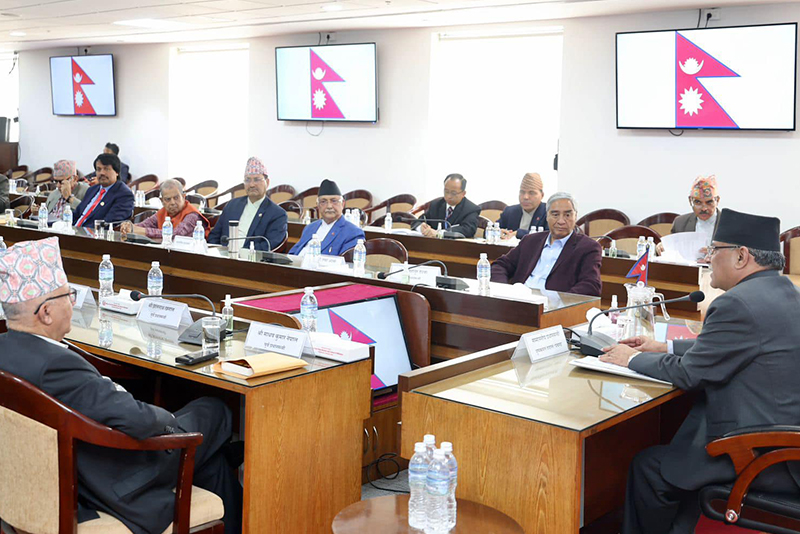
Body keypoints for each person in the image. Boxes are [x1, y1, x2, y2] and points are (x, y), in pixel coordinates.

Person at [0, 237, 242, 534]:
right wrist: (170, 421)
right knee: (215, 410)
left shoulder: (6, 349)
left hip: (52, 474)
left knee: (214, 463)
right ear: (46, 312)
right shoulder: (56, 366)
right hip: (109, 481)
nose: (72, 302)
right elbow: (137, 420)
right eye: (68, 295)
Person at [600, 208, 800, 534]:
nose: (706, 258)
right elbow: (734, 346)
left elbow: (689, 374)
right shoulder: (786, 292)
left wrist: (630, 358)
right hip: (786, 446)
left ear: (741, 256)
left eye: (714, 249)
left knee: (649, 468)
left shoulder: (736, 304)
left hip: (762, 454)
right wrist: (663, 346)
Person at [490, 192, 602, 296]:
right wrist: (504, 290)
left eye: (567, 215)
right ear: (547, 216)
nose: (561, 221)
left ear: (575, 216)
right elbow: (500, 265)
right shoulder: (530, 241)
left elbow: (591, 285)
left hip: (554, 306)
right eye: (555, 215)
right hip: (520, 300)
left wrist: (561, 301)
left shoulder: (588, 248)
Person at [208, 157, 287, 252]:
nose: (252, 185)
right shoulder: (232, 205)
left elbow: (269, 245)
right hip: (223, 256)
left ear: (267, 182)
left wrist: (241, 253)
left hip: (251, 259)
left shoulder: (277, 214)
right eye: (247, 180)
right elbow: (214, 236)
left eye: (257, 179)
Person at [289, 179, 365, 256]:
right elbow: (292, 254)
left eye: (334, 201)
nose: (329, 206)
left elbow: (345, 261)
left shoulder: (353, 232)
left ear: (342, 204)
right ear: (318, 205)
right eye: (323, 201)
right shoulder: (310, 228)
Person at [120, 179, 209, 240]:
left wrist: (142, 231)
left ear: (184, 196)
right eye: (168, 199)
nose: (172, 202)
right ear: (162, 201)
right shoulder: (163, 212)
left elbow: (175, 234)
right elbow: (145, 225)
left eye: (176, 198)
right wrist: (129, 227)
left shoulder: (192, 215)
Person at [659, 175, 721, 258]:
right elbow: (672, 252)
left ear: (717, 201)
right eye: (698, 202)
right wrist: (663, 247)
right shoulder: (680, 223)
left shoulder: (730, 224)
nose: (704, 208)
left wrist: (717, 254)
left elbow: (737, 254)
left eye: (709, 202)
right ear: (690, 201)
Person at [73, 153, 134, 228]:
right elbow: (77, 214)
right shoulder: (92, 189)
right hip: (74, 230)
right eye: (99, 169)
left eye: (106, 169)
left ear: (117, 172)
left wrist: (81, 231)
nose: (102, 173)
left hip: (90, 233)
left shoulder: (124, 194)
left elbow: (108, 224)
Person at [416, 174, 481, 238]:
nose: (449, 196)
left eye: (453, 193)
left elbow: (468, 229)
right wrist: (421, 227)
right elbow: (417, 221)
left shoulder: (471, 209)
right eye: (446, 191)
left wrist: (440, 233)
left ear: (463, 194)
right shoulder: (436, 204)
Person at [498, 172, 548, 239]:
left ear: (542, 195)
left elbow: (549, 235)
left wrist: (518, 233)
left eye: (531, 193)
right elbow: (491, 229)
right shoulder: (510, 211)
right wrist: (498, 232)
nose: (525, 197)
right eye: (522, 192)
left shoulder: (548, 212)